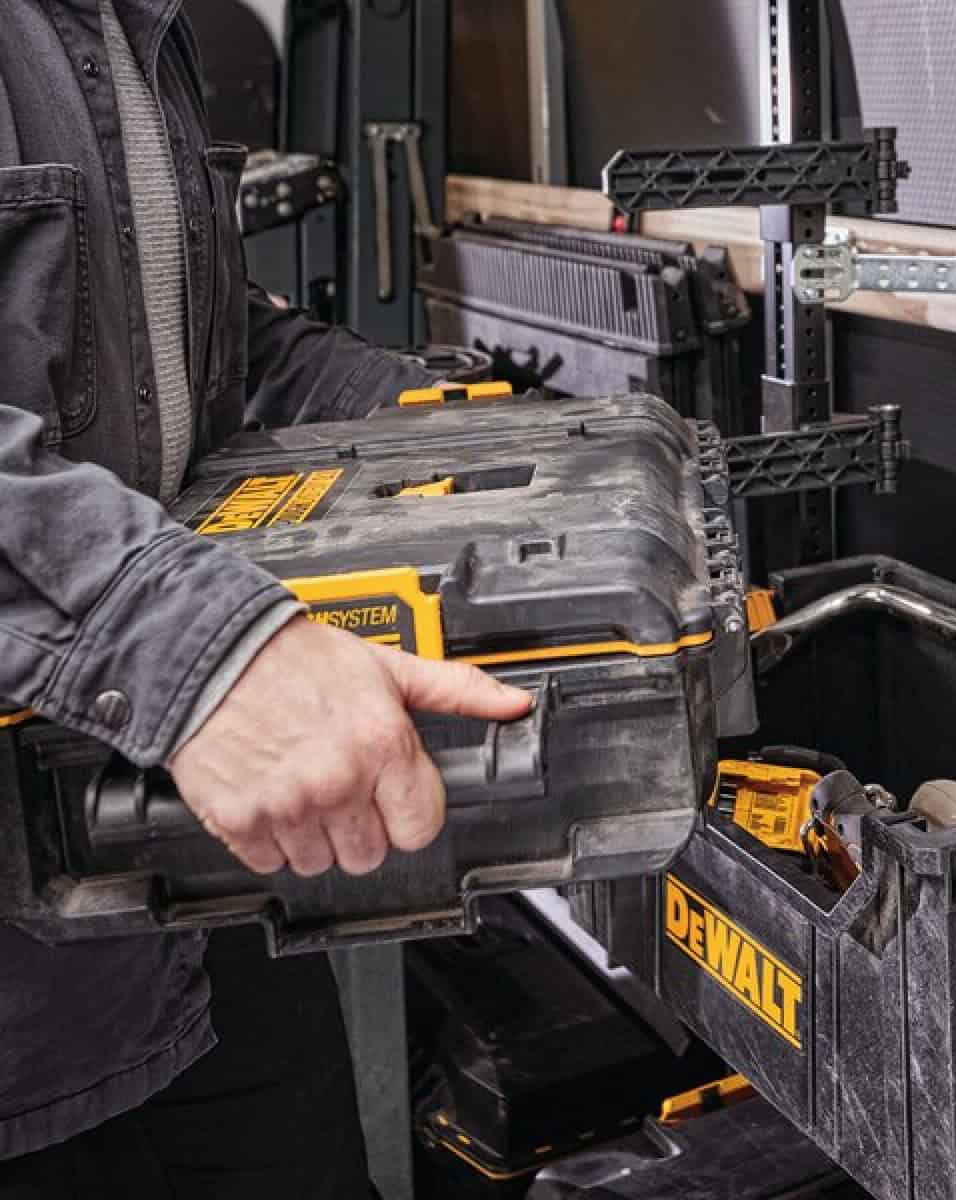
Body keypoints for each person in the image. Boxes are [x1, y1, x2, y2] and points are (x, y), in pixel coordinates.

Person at [0, 2, 531, 1196]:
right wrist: (210, 658)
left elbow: (183, 338)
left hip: (178, 872)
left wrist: (417, 411)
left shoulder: (146, 32)